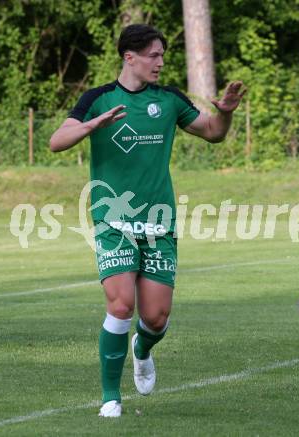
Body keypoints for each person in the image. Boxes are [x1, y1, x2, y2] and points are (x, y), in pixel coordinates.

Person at [50, 23, 245, 418]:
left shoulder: (168, 100)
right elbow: (57, 139)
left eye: (162, 56)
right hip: (112, 219)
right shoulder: (98, 99)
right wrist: (91, 126)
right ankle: (110, 398)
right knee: (121, 305)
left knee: (155, 318)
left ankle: (143, 347)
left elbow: (212, 132)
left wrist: (223, 114)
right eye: (154, 55)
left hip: (158, 221)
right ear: (130, 57)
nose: (160, 63)